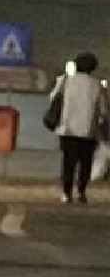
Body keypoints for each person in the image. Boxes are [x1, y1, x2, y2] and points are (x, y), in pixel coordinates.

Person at [50, 52, 108, 204]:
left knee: (68, 162)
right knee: (85, 163)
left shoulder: (65, 81)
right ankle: (81, 192)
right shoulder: (96, 85)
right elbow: (103, 110)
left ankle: (66, 193)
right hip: (88, 131)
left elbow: (53, 98)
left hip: (67, 129)